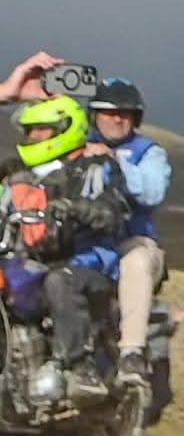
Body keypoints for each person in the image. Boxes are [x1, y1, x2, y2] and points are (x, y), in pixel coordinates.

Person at [0, 96, 130, 403]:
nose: (32, 136)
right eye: (29, 130)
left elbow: (114, 211)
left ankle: (80, 368)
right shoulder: (21, 175)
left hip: (87, 263)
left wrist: (74, 207)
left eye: (40, 129)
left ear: (65, 128)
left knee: (60, 281)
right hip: (32, 261)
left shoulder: (96, 167)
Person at [83, 78, 169, 385]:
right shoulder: (76, 144)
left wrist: (115, 161)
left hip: (131, 241)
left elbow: (153, 191)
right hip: (85, 243)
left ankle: (132, 351)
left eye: (126, 113)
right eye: (109, 112)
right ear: (94, 115)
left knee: (137, 261)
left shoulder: (148, 152)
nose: (117, 119)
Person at [142, 298, 176, 427]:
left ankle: (142, 424)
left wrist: (174, 323)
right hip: (148, 356)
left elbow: (169, 329)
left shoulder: (162, 305)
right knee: (163, 395)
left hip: (163, 357)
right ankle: (138, 422)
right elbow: (138, 333)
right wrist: (161, 329)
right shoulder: (137, 304)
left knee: (162, 395)